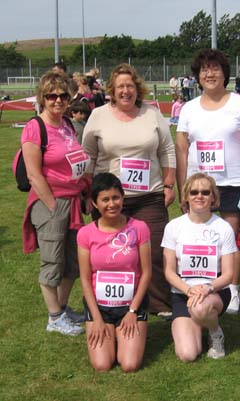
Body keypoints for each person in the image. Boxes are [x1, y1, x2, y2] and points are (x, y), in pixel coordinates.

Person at [82, 63, 176, 317]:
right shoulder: (98, 115)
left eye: (130, 86)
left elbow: (167, 150)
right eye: (120, 86)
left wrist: (169, 184)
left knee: (155, 251)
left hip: (149, 196)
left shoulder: (152, 113)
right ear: (112, 90)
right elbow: (88, 155)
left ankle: (160, 304)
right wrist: (89, 193)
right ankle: (110, 304)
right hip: (108, 199)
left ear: (137, 89)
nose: (126, 91)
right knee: (110, 255)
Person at [176, 49, 240, 314]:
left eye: (215, 69)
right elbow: (181, 150)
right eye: (204, 70)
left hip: (232, 182)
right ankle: (202, 284)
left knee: (230, 238)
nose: (209, 73)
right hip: (198, 184)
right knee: (202, 238)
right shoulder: (189, 109)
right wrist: (183, 188)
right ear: (197, 76)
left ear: (225, 74)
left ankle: (232, 289)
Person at [21, 72, 91, 335]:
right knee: (52, 261)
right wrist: (51, 206)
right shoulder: (35, 127)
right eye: (52, 96)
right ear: (43, 98)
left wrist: (83, 193)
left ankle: (61, 308)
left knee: (72, 262)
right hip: (51, 202)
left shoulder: (67, 125)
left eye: (63, 95)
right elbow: (33, 174)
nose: (58, 100)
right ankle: (54, 317)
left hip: (72, 202)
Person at [77, 173, 152, 372]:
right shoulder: (85, 234)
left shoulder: (139, 228)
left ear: (123, 198)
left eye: (116, 197)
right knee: (102, 365)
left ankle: (125, 332)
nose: (112, 204)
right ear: (94, 203)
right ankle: (112, 330)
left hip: (131, 305)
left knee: (130, 364)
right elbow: (84, 279)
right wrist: (97, 318)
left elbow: (146, 273)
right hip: (99, 307)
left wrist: (133, 311)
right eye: (105, 199)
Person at [162, 173, 236, 361]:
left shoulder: (223, 227)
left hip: (215, 292)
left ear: (213, 197)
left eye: (205, 192)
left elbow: (229, 274)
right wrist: (188, 290)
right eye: (194, 192)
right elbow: (169, 271)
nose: (199, 196)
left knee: (201, 307)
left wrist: (207, 288)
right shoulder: (174, 226)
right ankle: (198, 322)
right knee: (187, 354)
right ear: (186, 196)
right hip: (182, 293)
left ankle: (215, 333)